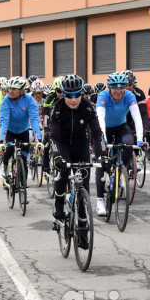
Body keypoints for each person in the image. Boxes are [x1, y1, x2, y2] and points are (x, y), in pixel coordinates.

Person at [49, 74, 108, 229]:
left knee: (85, 185)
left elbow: (97, 133)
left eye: (77, 95)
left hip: (81, 145)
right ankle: (59, 203)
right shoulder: (57, 108)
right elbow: (53, 136)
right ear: (63, 94)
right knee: (63, 172)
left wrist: (102, 156)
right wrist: (57, 156)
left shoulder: (88, 107)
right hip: (62, 145)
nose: (74, 99)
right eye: (69, 95)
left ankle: (82, 221)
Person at [94, 72, 144, 216]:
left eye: (121, 88)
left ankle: (122, 171)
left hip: (121, 126)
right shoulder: (103, 96)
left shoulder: (129, 96)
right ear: (109, 88)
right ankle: (100, 201)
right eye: (115, 88)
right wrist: (102, 139)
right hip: (104, 129)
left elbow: (137, 118)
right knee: (101, 162)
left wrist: (140, 139)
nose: (118, 91)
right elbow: (100, 118)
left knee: (129, 143)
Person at [0, 76, 41, 195]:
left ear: (22, 91)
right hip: (10, 132)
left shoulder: (30, 100)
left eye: (14, 89)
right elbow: (4, 121)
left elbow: (34, 119)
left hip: (23, 132)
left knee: (24, 160)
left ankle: (23, 190)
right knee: (9, 151)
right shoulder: (6, 101)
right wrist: (1, 141)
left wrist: (39, 139)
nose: (10, 91)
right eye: (9, 88)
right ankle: (5, 167)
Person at [41, 76, 65, 172]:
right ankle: (45, 164)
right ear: (55, 90)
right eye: (59, 91)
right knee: (47, 138)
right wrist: (46, 128)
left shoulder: (69, 97)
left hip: (63, 122)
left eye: (64, 91)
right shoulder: (50, 97)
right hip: (51, 121)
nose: (62, 94)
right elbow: (46, 114)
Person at [123, 70, 150, 146]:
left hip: (135, 117)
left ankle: (147, 148)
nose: (128, 87)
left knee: (146, 132)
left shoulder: (139, 93)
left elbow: (144, 112)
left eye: (130, 84)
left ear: (134, 83)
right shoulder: (118, 93)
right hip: (122, 117)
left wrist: (146, 128)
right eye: (125, 85)